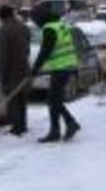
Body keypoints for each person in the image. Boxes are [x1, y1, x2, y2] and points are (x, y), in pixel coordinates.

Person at [31, 11, 81, 143]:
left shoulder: (50, 29)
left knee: (53, 99)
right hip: (65, 65)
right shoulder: (60, 25)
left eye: (36, 22)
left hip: (61, 67)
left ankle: (59, 129)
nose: (37, 25)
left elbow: (45, 51)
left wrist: (35, 69)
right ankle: (66, 124)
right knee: (54, 99)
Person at [0, 5, 31, 136]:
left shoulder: (4, 30)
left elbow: (3, 55)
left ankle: (17, 127)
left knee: (13, 99)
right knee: (22, 99)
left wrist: (2, 76)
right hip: (24, 68)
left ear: (3, 17)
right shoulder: (24, 28)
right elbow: (27, 50)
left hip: (11, 70)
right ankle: (23, 125)